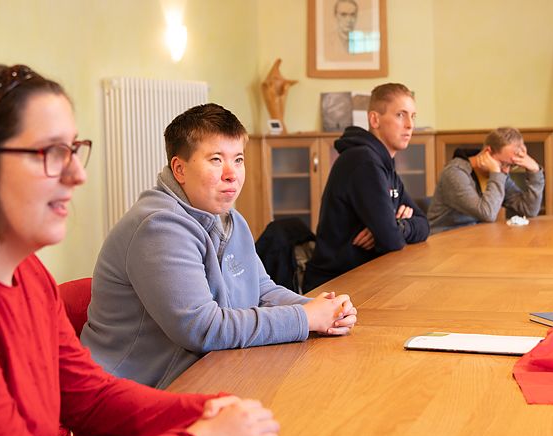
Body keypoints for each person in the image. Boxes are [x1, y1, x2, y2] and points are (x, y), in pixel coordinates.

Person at [0, 64, 281, 436]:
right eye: (50, 152)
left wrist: (207, 412)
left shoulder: (25, 271)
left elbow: (88, 396)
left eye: (75, 150)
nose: (78, 175)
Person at [81, 103, 357, 389]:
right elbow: (202, 329)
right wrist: (305, 318)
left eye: (238, 159)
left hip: (207, 372)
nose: (232, 174)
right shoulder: (158, 227)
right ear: (179, 169)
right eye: (216, 159)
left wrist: (323, 310)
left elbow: (261, 290)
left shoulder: (230, 220)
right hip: (129, 393)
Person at [303, 83, 429, 292]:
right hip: (336, 286)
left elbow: (423, 224)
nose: (409, 125)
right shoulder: (363, 162)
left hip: (367, 275)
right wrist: (391, 228)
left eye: (413, 116)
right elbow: (391, 240)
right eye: (400, 115)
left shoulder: (384, 163)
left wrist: (397, 225)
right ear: (374, 119)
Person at [428, 127, 545, 233]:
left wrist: (534, 171)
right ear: (488, 152)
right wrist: (495, 171)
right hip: (445, 242)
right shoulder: (455, 173)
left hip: (476, 239)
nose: (506, 171)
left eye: (511, 165)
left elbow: (529, 210)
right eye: (504, 164)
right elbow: (487, 214)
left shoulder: (499, 173)